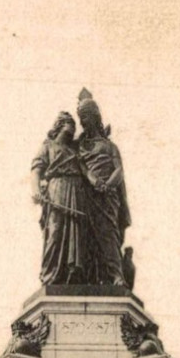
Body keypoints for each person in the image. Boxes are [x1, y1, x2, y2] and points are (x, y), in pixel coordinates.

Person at [76, 90, 131, 286]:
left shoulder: (109, 147)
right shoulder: (79, 146)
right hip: (87, 195)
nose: (83, 121)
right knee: (87, 237)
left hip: (107, 197)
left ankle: (116, 275)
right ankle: (90, 276)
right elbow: (80, 166)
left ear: (96, 117)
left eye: (87, 117)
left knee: (108, 234)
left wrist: (108, 185)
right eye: (81, 117)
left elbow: (119, 171)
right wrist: (92, 180)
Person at [31, 111, 87, 285]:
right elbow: (36, 170)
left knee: (74, 231)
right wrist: (36, 190)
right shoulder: (48, 145)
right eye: (69, 126)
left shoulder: (75, 149)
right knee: (55, 231)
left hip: (76, 191)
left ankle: (73, 273)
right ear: (60, 126)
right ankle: (50, 275)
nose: (73, 130)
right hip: (57, 190)